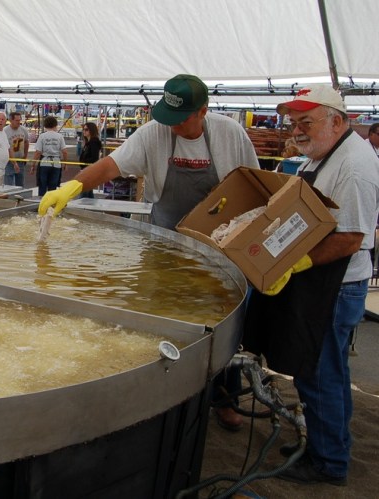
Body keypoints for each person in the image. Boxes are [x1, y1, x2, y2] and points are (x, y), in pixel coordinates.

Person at [38, 74, 260, 431]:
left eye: (181, 119)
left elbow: (252, 182)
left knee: (219, 320)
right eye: (167, 117)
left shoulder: (230, 135)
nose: (171, 126)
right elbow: (112, 165)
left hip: (219, 241)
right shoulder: (154, 132)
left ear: (203, 111)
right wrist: (75, 185)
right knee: (160, 310)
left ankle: (224, 398)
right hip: (166, 237)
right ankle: (165, 391)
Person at [244, 85, 379, 486]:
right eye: (293, 122)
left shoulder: (353, 168)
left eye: (306, 122)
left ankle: (329, 462)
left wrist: (295, 261)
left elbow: (351, 238)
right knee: (322, 371)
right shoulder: (324, 155)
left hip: (335, 287)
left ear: (337, 121)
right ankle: (328, 441)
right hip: (319, 280)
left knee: (320, 374)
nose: (297, 131)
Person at [30, 115, 68, 197]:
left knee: (42, 186)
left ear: (45, 125)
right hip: (56, 163)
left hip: (44, 163)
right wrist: (65, 163)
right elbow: (65, 152)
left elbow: (38, 152)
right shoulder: (59, 136)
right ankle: (51, 205)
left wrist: (33, 165)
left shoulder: (42, 136)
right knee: (53, 187)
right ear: (55, 125)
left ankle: (41, 204)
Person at [4, 111, 30, 186]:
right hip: (9, 161)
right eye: (16, 120)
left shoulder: (23, 130)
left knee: (20, 182)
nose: (19, 122)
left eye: (19, 120)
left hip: (20, 159)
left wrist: (25, 156)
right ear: (11, 120)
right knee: (8, 182)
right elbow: (5, 147)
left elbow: (26, 142)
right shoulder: (5, 131)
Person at [78, 122, 102, 198]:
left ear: (91, 130)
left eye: (86, 129)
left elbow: (94, 158)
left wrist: (85, 162)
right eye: (83, 129)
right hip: (86, 169)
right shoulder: (88, 143)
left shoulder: (93, 143)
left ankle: (80, 206)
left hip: (88, 170)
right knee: (88, 192)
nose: (84, 131)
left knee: (84, 191)